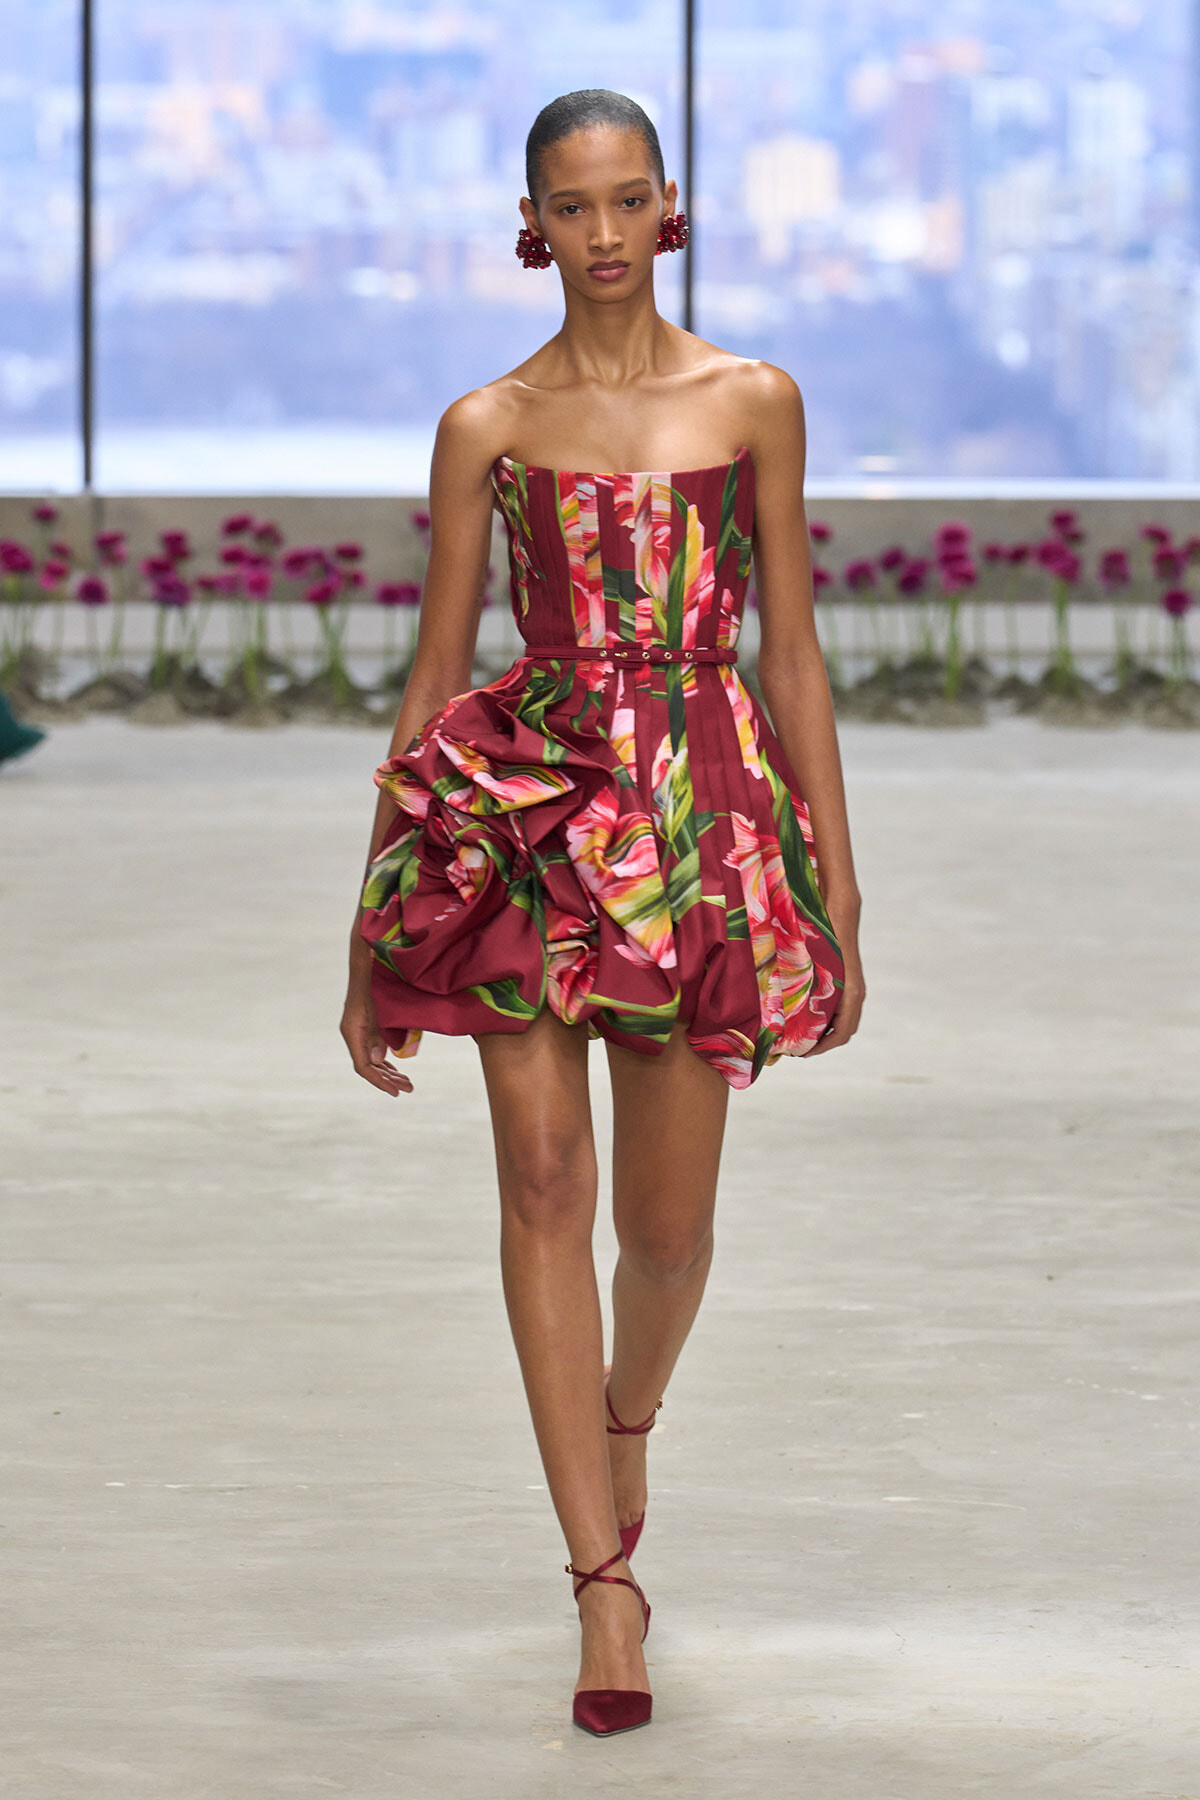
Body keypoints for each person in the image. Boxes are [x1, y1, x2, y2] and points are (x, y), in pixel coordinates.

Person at [341, 88, 865, 1738]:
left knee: (669, 1229)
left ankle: (627, 1416)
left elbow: (788, 649)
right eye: (574, 207)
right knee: (541, 1177)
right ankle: (603, 1584)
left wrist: (833, 883)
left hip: (705, 822)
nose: (607, 233)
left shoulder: (755, 401)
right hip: (526, 813)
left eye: (631, 199)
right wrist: (371, 924)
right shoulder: (486, 425)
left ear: (671, 205)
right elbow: (436, 669)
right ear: (532, 222)